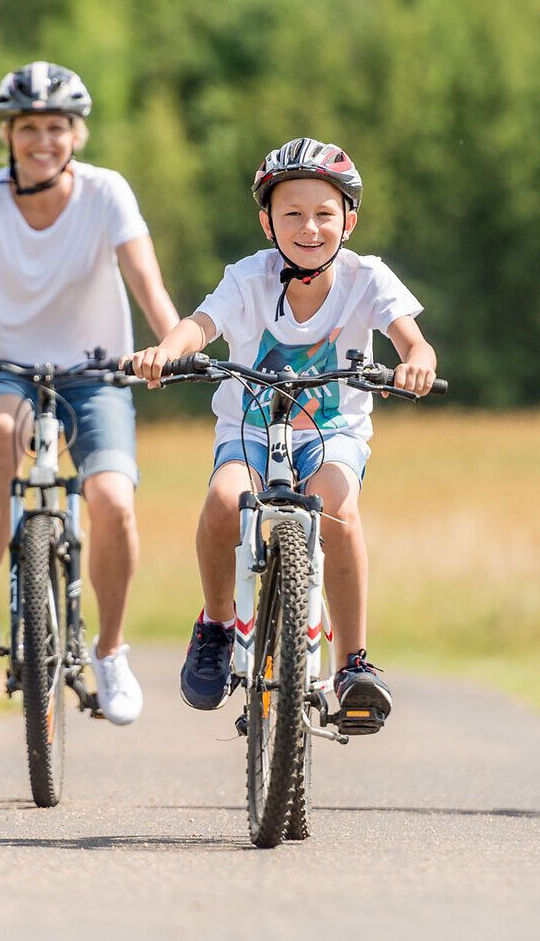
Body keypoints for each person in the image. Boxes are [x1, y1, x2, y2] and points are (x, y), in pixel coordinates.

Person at [126, 138, 438, 733]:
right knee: (224, 501)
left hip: (333, 430)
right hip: (248, 426)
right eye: (291, 213)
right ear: (267, 221)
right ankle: (218, 625)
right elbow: (201, 325)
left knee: (338, 509)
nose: (309, 227)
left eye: (324, 213)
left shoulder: (367, 278)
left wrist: (416, 362)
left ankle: (352, 665)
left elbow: (412, 340)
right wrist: (168, 350)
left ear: (349, 220)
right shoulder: (249, 278)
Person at [0, 61, 180, 726]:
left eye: (57, 127)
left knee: (112, 500)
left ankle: (110, 651)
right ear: (8, 133)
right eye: (29, 128)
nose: (43, 141)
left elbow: (147, 283)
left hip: (97, 371)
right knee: (2, 436)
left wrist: (168, 346)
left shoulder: (107, 192)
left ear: (76, 135)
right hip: (6, 368)